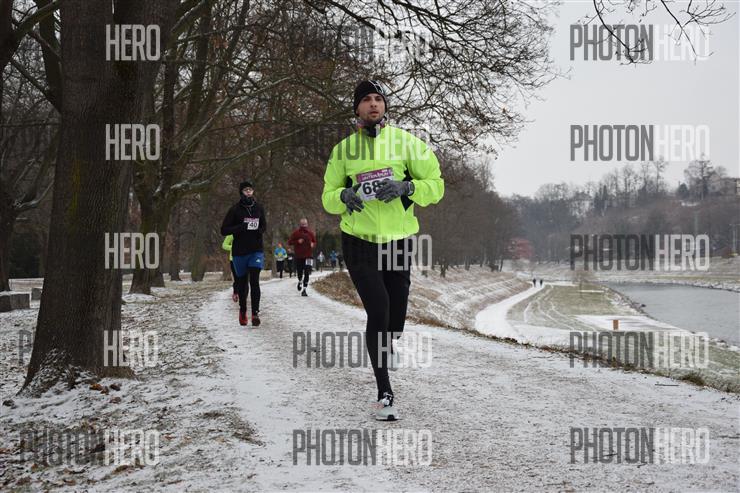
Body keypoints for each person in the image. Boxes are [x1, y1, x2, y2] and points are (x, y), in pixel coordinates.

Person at [322, 80, 444, 421]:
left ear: (385, 106)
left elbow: (436, 186)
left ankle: (388, 342)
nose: (373, 104)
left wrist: (407, 187)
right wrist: (343, 196)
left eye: (378, 99)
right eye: (366, 100)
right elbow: (328, 196)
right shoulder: (343, 150)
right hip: (359, 240)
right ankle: (384, 393)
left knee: (396, 315)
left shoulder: (407, 143)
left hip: (398, 240)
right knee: (378, 309)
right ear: (357, 109)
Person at [220, 180, 266, 326]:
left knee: (254, 281)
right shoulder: (234, 210)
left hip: (256, 250)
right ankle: (242, 310)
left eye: (250, 190)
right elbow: (224, 230)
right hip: (239, 252)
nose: (248, 192)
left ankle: (255, 314)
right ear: (241, 192)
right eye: (246, 190)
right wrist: (241, 227)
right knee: (242, 283)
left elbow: (264, 226)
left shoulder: (259, 208)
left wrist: (259, 230)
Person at [288, 218, 316, 296]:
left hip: (308, 256)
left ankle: (304, 289)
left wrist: (313, 244)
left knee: (307, 272)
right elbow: (289, 242)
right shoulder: (296, 233)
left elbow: (314, 241)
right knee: (299, 271)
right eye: (302, 224)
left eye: (305, 224)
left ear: (307, 224)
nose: (304, 225)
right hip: (299, 256)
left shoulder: (310, 233)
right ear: (300, 224)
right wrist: (297, 241)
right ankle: (300, 280)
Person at [222, 234, 239, 302]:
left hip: (245, 258)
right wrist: (233, 247)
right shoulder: (232, 234)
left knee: (244, 278)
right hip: (233, 259)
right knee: (236, 277)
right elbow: (224, 245)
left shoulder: (246, 232)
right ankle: (235, 293)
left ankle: (243, 294)